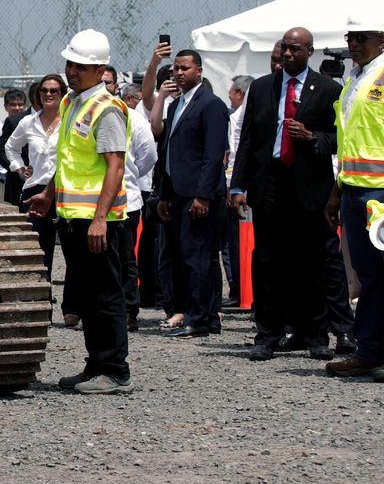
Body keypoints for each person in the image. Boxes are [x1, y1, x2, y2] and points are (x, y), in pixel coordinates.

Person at [28, 29, 132, 394]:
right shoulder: (73, 103)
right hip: (73, 217)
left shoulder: (106, 109)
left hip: (98, 221)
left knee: (105, 296)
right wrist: (49, 193)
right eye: (70, 63)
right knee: (88, 296)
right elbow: (70, 161)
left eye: (81, 66)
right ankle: (96, 366)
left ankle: (116, 370)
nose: (72, 71)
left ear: (100, 68)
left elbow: (114, 167)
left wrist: (101, 219)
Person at [230, 27, 344, 361]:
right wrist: (238, 185)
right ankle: (268, 334)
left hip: (309, 186)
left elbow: (338, 137)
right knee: (268, 263)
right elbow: (248, 139)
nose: (289, 54)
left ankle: (314, 334)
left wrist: (312, 137)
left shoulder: (326, 89)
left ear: (310, 51)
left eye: (296, 49)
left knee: (311, 263)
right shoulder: (264, 87)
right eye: (285, 49)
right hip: (270, 184)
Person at [154, 48, 231, 339]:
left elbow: (213, 155)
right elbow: (168, 152)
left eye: (185, 68)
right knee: (184, 256)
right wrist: (164, 193)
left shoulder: (211, 104)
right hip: (176, 192)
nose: (178, 73)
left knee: (197, 258)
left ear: (199, 71)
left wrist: (203, 195)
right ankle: (207, 316)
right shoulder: (176, 106)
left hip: (199, 194)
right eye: (175, 68)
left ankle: (198, 317)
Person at [323, 11, 384, 379]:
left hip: (380, 192)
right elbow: (350, 143)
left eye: (362, 37)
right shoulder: (355, 80)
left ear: (382, 39)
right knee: (369, 276)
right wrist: (337, 190)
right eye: (350, 37)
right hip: (354, 190)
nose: (353, 44)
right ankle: (371, 350)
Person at [6, 74, 68, 314]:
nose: (49, 95)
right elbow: (10, 147)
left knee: (72, 250)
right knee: (39, 251)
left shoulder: (69, 122)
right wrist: (19, 167)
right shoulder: (28, 122)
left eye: (54, 91)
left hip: (64, 190)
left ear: (62, 94)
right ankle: (42, 306)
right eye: (44, 91)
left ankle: (72, 307)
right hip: (34, 189)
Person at [107, 69, 157, 332]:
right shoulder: (81, 112)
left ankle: (128, 311)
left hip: (126, 200)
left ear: (116, 86)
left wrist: (131, 174)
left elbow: (148, 156)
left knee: (125, 258)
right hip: (90, 202)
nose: (103, 87)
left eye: (107, 82)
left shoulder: (132, 118)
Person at [0, 88, 29, 204]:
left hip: (28, 181)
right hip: (4, 182)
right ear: (6, 107)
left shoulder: (31, 125)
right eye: (13, 105)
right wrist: (12, 172)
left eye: (20, 104)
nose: (17, 108)